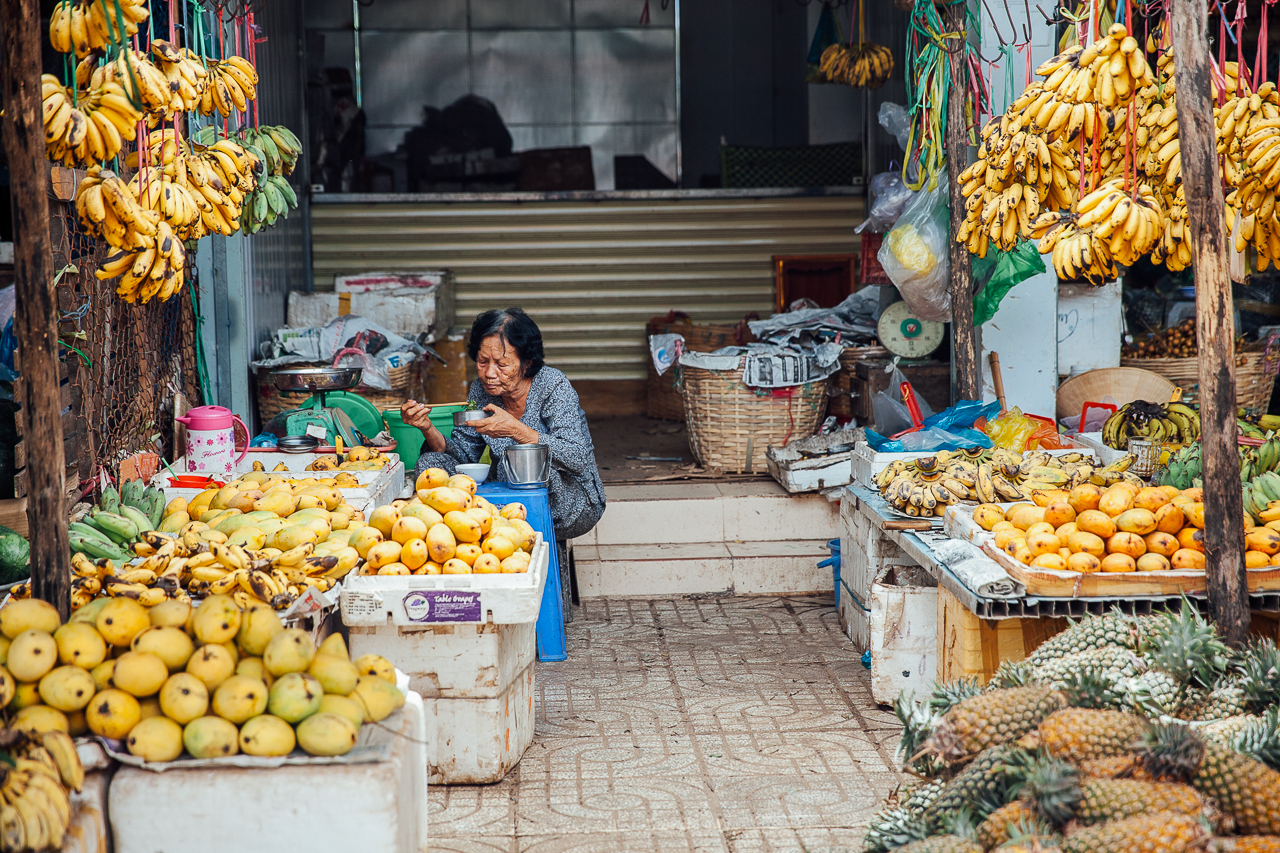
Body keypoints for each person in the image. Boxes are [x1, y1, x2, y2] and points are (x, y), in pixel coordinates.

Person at [400, 308, 605, 543]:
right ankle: (454, 534)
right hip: (508, 494)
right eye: (482, 361)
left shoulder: (552, 385)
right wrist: (427, 427)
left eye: (501, 364)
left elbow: (576, 457)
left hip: (569, 499)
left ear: (527, 364)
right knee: (430, 464)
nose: (489, 373)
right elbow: (463, 454)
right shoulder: (481, 389)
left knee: (524, 466)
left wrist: (515, 429)